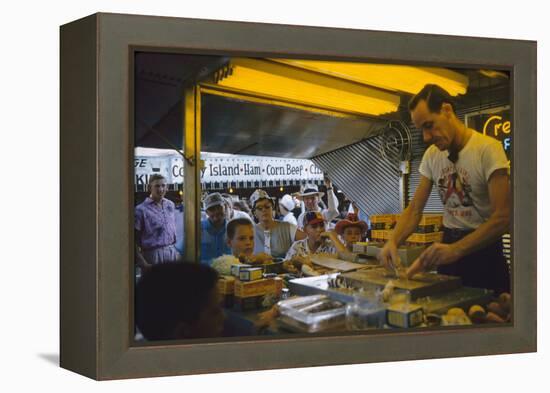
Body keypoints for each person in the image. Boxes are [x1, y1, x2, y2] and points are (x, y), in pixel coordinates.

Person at [378, 84, 510, 294]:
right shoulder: (432, 155)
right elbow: (414, 210)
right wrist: (393, 241)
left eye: (429, 125)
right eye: (422, 129)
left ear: (447, 110)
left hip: (483, 251)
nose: (426, 137)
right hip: (448, 247)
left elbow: (503, 217)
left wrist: (457, 250)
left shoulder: (487, 149)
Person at [134, 174, 181, 271]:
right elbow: (133, 241)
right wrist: (144, 264)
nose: (161, 189)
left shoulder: (170, 205)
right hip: (152, 256)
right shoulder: (141, 210)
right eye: (157, 186)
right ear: (149, 188)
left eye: (163, 186)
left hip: (172, 253)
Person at [250, 189, 306, 259]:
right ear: (254, 213)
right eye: (259, 208)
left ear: (272, 208)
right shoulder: (250, 232)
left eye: (267, 206)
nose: (264, 210)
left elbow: (308, 239)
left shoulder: (287, 227)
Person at [200, 192, 231, 265]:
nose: (216, 211)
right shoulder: (199, 228)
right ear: (206, 212)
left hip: (229, 274)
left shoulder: (233, 227)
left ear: (225, 207)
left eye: (219, 207)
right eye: (212, 209)